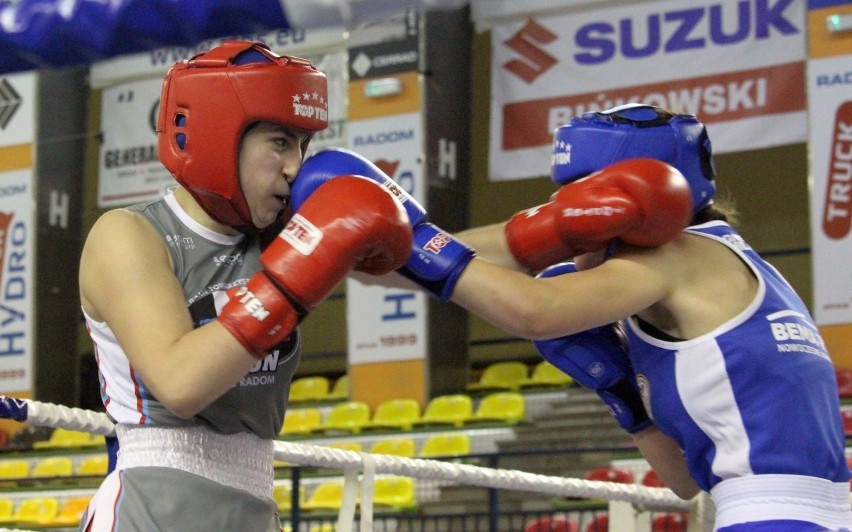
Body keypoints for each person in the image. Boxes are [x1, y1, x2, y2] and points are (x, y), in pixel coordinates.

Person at [303, 104, 852, 530]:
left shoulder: (675, 256)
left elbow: (535, 310)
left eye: (585, 196)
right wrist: (618, 387)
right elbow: (685, 481)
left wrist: (415, 241)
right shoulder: (727, 262)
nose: (570, 212)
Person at [77, 40, 412, 531]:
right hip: (154, 506)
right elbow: (180, 382)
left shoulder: (283, 235)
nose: (295, 166)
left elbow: (440, 266)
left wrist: (546, 233)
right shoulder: (129, 236)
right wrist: (297, 272)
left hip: (253, 506)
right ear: (218, 135)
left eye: (302, 145)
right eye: (279, 142)